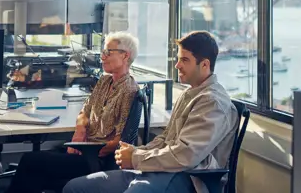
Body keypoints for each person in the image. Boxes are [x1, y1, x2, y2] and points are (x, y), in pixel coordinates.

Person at [63, 31, 239, 193]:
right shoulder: (190, 93)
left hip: (190, 178)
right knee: (75, 187)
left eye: (184, 60)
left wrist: (136, 158)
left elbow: (186, 156)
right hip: (161, 168)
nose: (177, 65)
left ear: (205, 65)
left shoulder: (212, 102)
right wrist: (136, 151)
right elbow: (165, 139)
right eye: (178, 59)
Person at [5, 32, 141, 193]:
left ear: (125, 56)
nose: (102, 57)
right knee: (35, 172)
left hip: (96, 159)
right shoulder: (105, 81)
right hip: (84, 149)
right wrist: (80, 131)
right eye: (102, 52)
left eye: (107, 52)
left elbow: (120, 142)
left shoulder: (129, 91)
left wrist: (86, 149)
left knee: (31, 161)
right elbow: (85, 110)